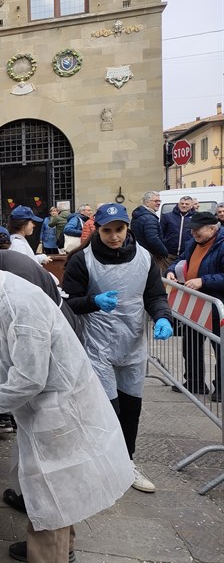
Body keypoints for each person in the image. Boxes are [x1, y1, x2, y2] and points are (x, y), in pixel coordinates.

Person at [0, 239, 132, 562]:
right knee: (55, 492)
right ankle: (59, 548)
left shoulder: (21, 304)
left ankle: (49, 554)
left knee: (52, 491)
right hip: (39, 405)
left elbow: (30, 378)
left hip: (59, 406)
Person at [62, 203, 173, 493]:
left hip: (133, 342)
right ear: (97, 230)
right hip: (98, 344)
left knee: (131, 408)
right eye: (107, 230)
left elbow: (155, 295)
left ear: (128, 228)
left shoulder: (145, 258)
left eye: (119, 229)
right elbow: (70, 300)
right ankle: (103, 464)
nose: (114, 236)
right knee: (106, 409)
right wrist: (93, 302)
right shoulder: (82, 260)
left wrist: (162, 316)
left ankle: (127, 462)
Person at [166, 211, 224, 402]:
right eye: (192, 229)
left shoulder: (221, 244)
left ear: (212, 228)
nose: (194, 233)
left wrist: (203, 281)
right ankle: (194, 382)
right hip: (194, 304)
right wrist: (171, 271)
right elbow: (180, 260)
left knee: (220, 349)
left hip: (216, 306)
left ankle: (221, 388)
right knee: (190, 345)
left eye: (198, 229)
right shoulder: (193, 243)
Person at [131, 191, 169, 260]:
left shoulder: (139, 215)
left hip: (140, 254)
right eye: (156, 201)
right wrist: (164, 252)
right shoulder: (150, 218)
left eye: (159, 201)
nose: (159, 203)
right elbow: (153, 239)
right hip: (150, 255)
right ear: (147, 202)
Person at [160, 195, 195, 260]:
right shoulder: (167, 217)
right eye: (182, 203)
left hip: (188, 255)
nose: (184, 205)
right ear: (178, 205)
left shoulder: (196, 217)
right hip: (169, 255)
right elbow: (161, 234)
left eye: (187, 204)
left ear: (191, 206)